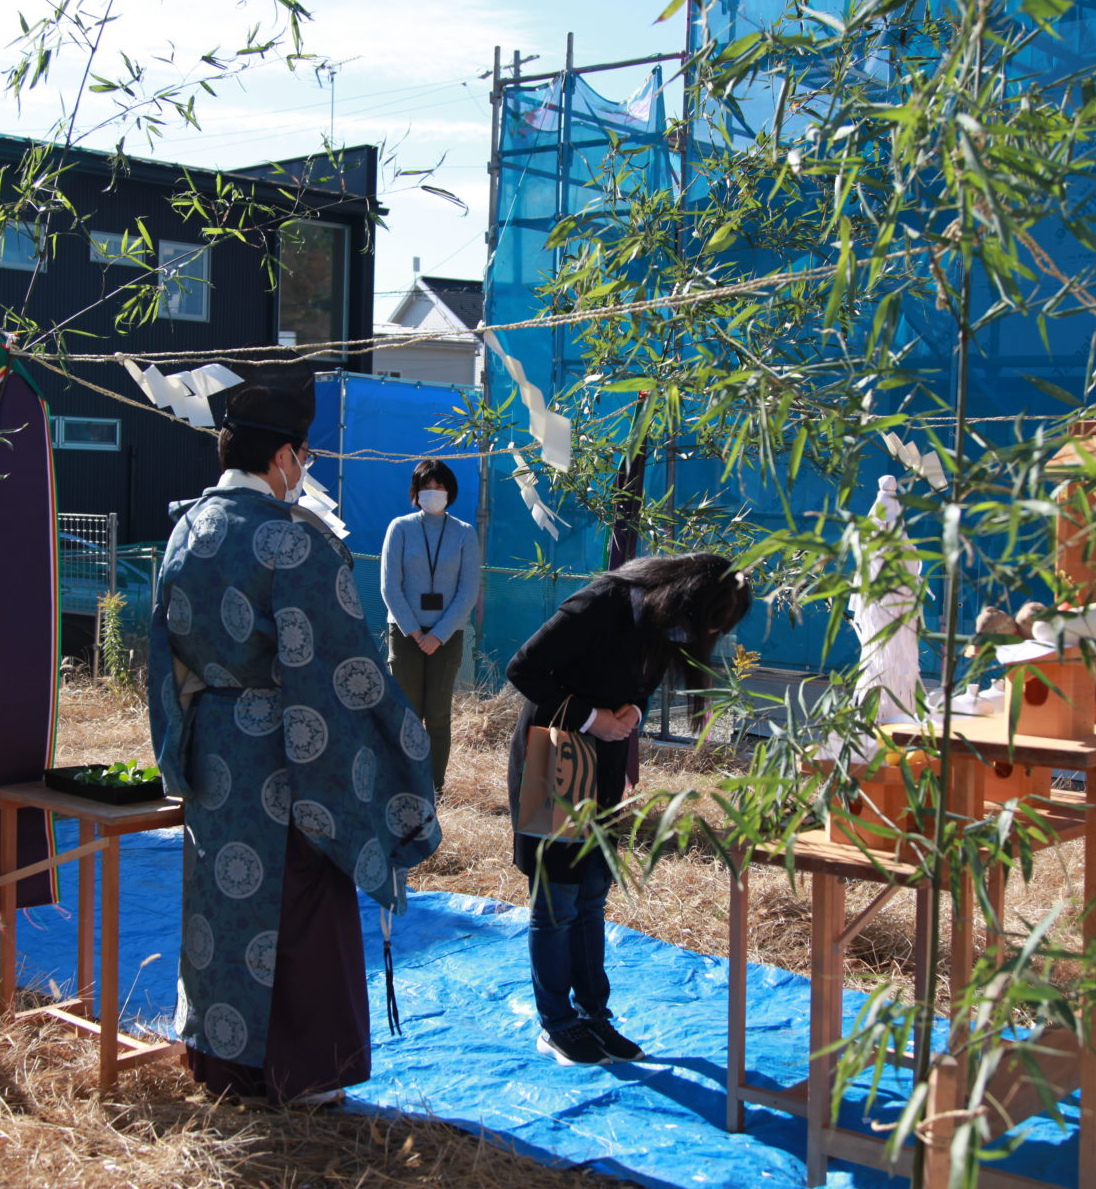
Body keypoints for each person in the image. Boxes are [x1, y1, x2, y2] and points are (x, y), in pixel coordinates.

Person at [149, 383, 441, 1105]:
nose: (304, 469)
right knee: (299, 899)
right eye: (303, 456)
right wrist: (407, 738)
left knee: (222, 901)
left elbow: (161, 656)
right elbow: (347, 666)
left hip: (214, 749)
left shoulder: (185, 528)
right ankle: (300, 1074)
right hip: (287, 753)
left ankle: (220, 1065)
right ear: (282, 456)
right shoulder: (290, 535)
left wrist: (176, 749)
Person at [505, 553, 750, 1066]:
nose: (696, 637)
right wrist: (592, 717)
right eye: (702, 624)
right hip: (557, 754)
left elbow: (640, 679)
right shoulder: (602, 602)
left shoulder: (661, 618)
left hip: (606, 757)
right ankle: (556, 1024)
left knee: (593, 890)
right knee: (556, 900)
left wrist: (634, 709)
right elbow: (524, 668)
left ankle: (594, 1016)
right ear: (682, 600)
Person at [379, 459, 480, 791]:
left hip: (447, 636)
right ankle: (402, 782)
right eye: (426, 487)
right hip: (406, 633)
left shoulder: (465, 533)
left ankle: (433, 787)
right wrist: (415, 631)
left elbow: (468, 590)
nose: (433, 493)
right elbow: (389, 586)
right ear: (415, 491)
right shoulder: (400, 527)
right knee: (407, 713)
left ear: (450, 491)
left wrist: (437, 634)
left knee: (437, 716)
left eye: (439, 487)